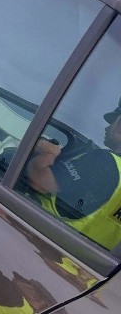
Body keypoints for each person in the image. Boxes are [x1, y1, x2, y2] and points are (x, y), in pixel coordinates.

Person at [24, 100, 121, 251]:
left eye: (113, 121)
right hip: (78, 267)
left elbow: (40, 181)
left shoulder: (103, 162)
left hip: (37, 240)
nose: (107, 127)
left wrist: (49, 152)